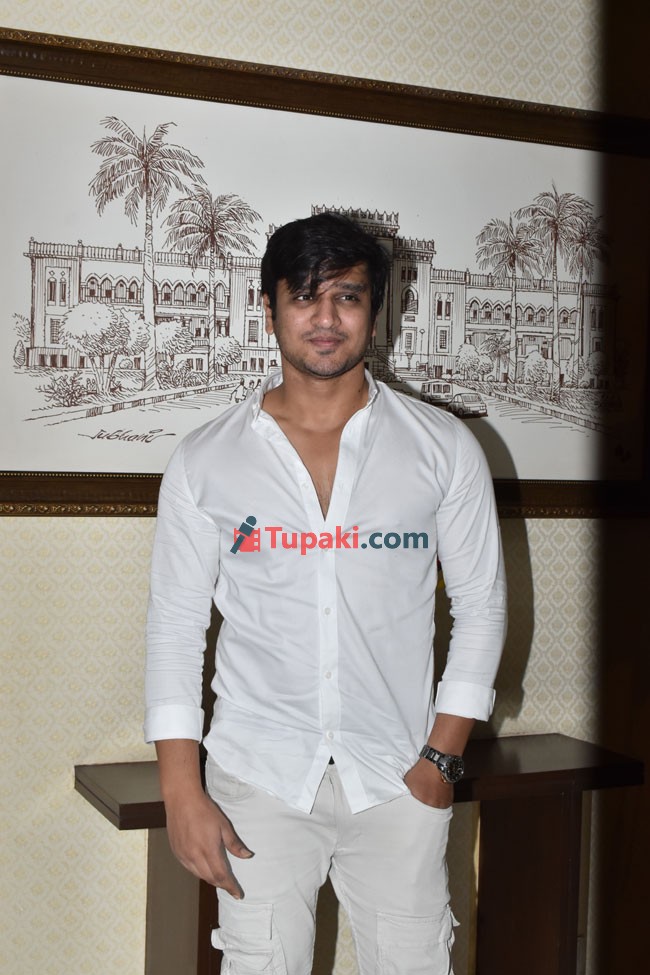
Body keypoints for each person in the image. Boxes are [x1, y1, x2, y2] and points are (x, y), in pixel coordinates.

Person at [145, 212, 507, 974]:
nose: (326, 317)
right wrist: (180, 789)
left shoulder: (443, 448)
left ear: (375, 311)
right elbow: (175, 624)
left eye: (347, 296)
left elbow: (482, 607)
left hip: (400, 779)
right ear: (269, 307)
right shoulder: (205, 460)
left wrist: (440, 760)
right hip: (258, 781)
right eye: (305, 295)